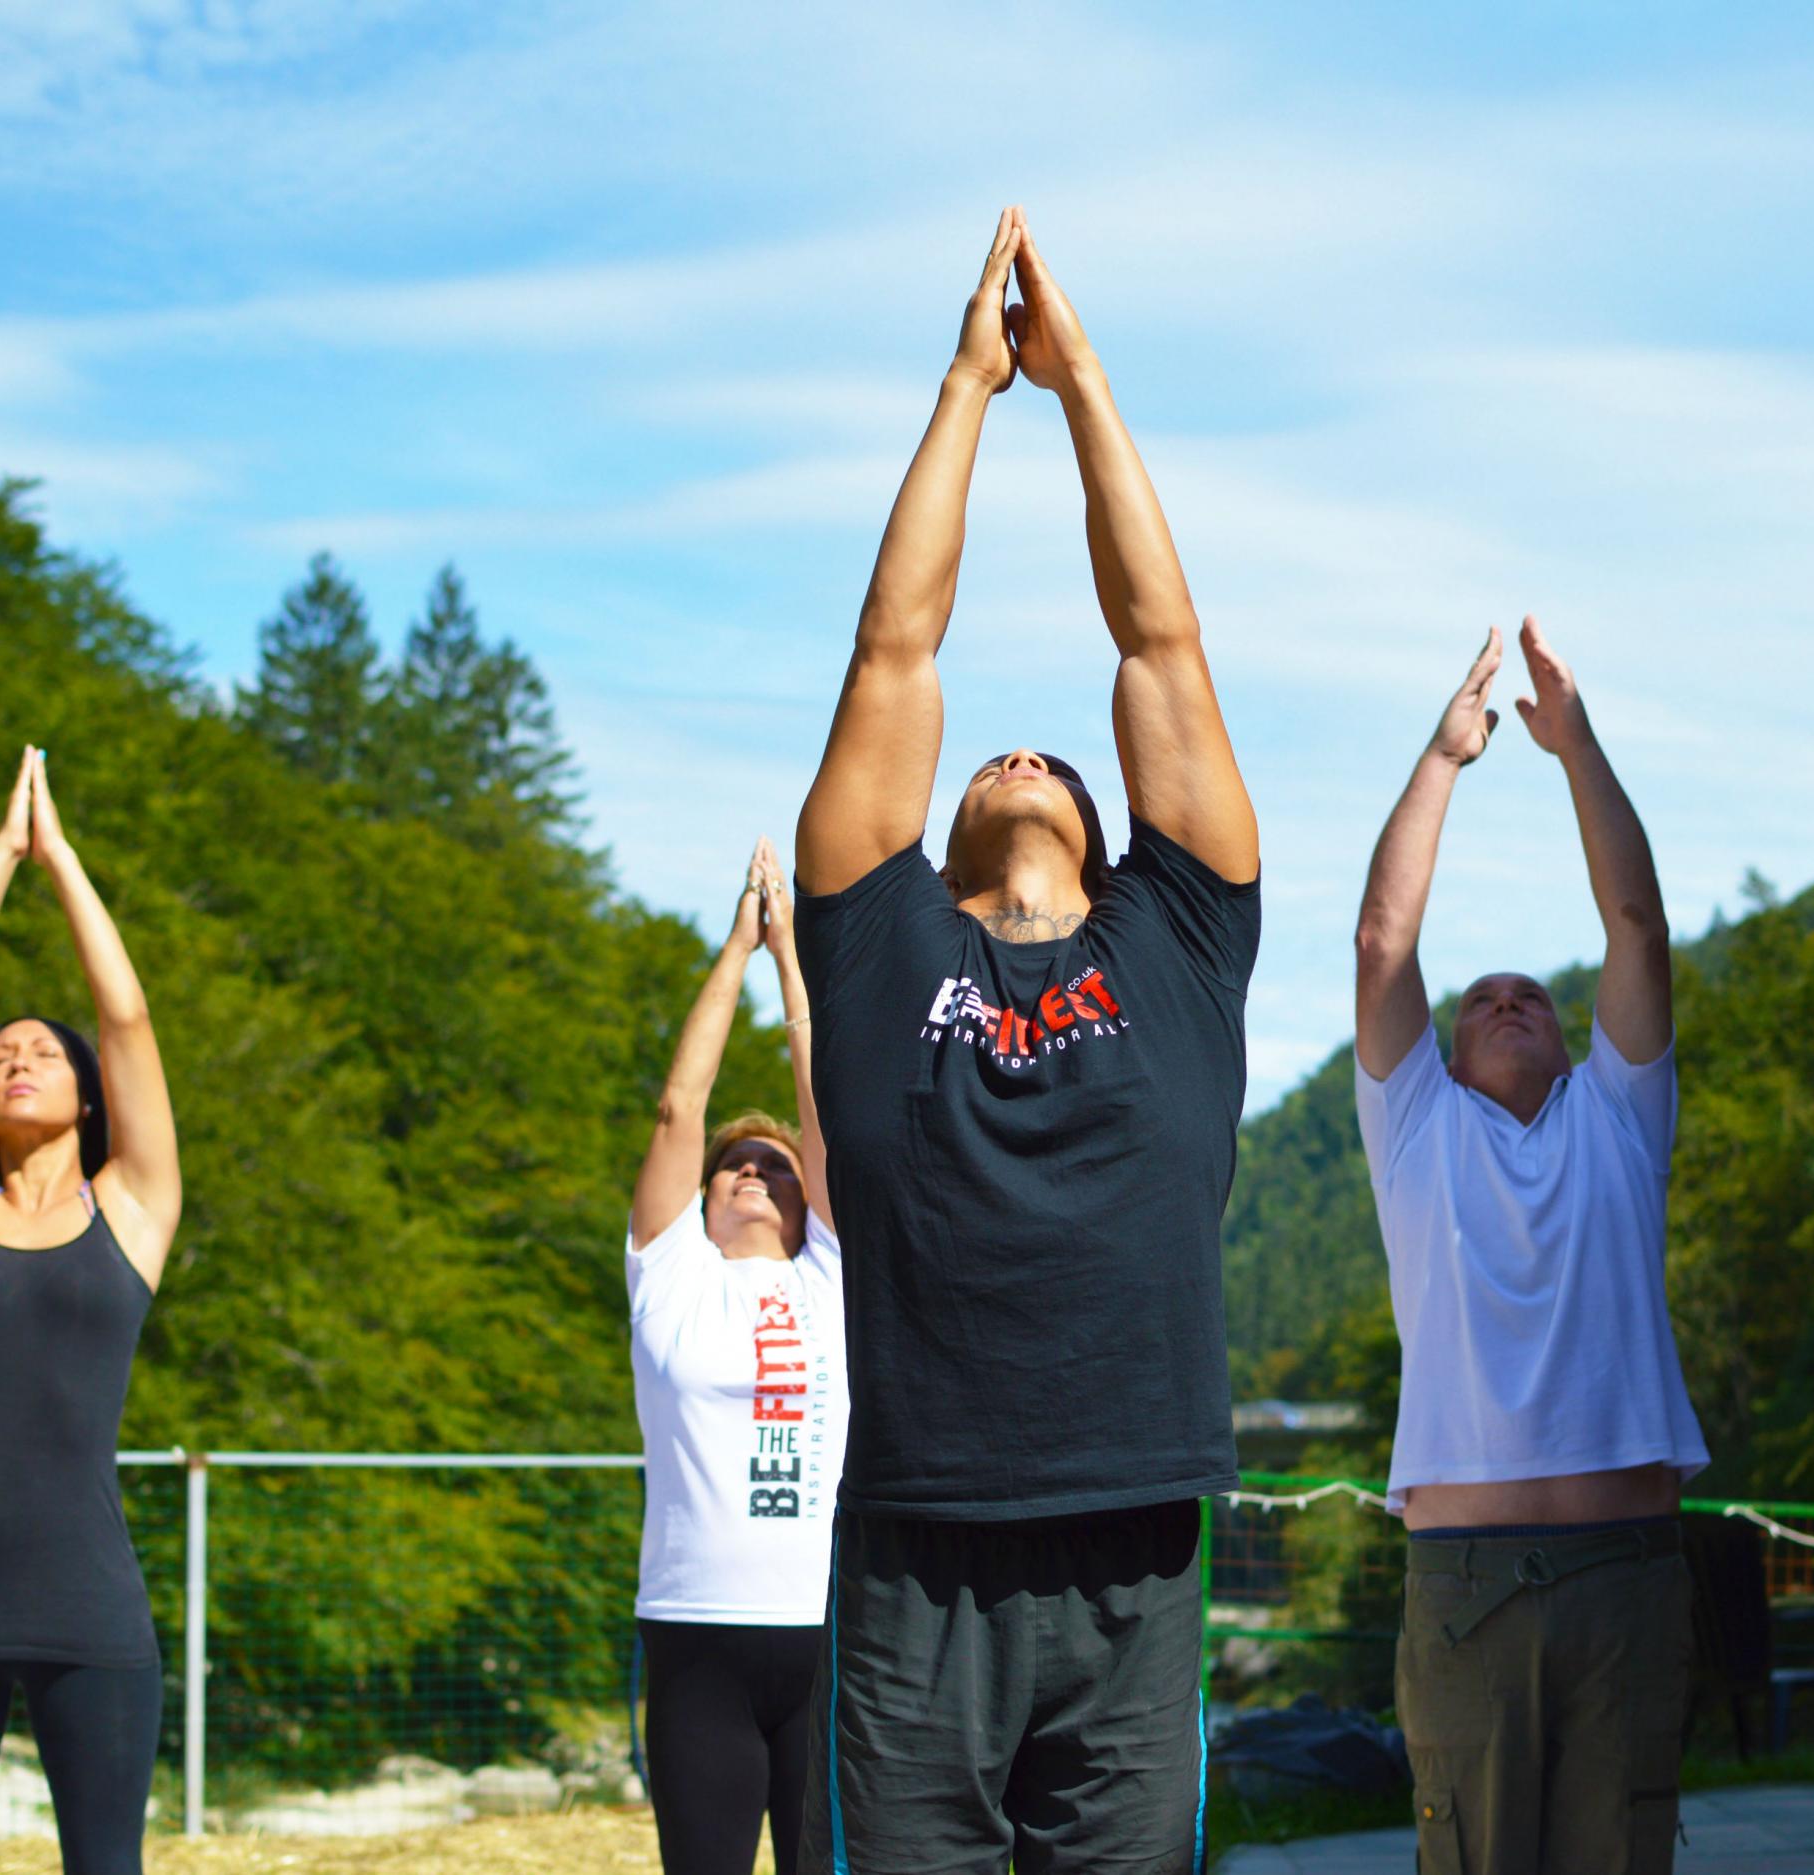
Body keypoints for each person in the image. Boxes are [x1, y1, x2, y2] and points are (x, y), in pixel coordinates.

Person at [793, 207, 1260, 1875]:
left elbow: (1162, 648)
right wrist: (963, 392)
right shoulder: (876, 943)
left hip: (1135, 1550)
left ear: (1100, 816)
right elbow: (894, 651)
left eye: (1047, 758)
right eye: (990, 761)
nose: (1012, 753)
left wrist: (1083, 388)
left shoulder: (1184, 941)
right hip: (919, 1557)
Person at [1352, 619, 1710, 1873]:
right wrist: (1443, 759)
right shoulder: (1416, 1133)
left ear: (1571, 1044)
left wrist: (1574, 745)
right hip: (1466, 1584)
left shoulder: (1618, 1118)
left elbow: (1638, 925)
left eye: (1533, 998)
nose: (1508, 1001)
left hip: (1627, 1570)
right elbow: (1382, 945)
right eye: (1481, 1000)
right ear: (1443, 1058)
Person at [0, 746, 182, 1875]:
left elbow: (131, 1019)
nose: (12, 1058)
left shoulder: (134, 1212)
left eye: (41, 1052)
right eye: (2, 1056)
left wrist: (57, 859)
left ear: (86, 1093)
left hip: (90, 1611)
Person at [628, 837, 844, 1875]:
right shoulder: (671, 1278)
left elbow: (826, 1113)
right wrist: (737, 949)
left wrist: (794, 960)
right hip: (694, 1632)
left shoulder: (829, 1277)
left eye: (774, 1167)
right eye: (733, 1166)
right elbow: (681, 1106)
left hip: (827, 1635)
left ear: (807, 1200)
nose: (751, 1171)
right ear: (703, 1197)